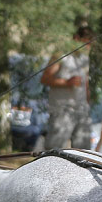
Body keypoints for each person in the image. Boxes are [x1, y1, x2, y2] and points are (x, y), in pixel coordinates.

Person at [40, 21, 94, 150]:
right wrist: (66, 83)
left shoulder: (84, 59)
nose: (89, 46)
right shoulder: (61, 55)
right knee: (55, 148)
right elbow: (45, 78)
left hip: (81, 109)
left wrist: (88, 102)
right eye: (86, 42)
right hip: (62, 109)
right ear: (76, 38)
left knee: (83, 149)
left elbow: (85, 83)